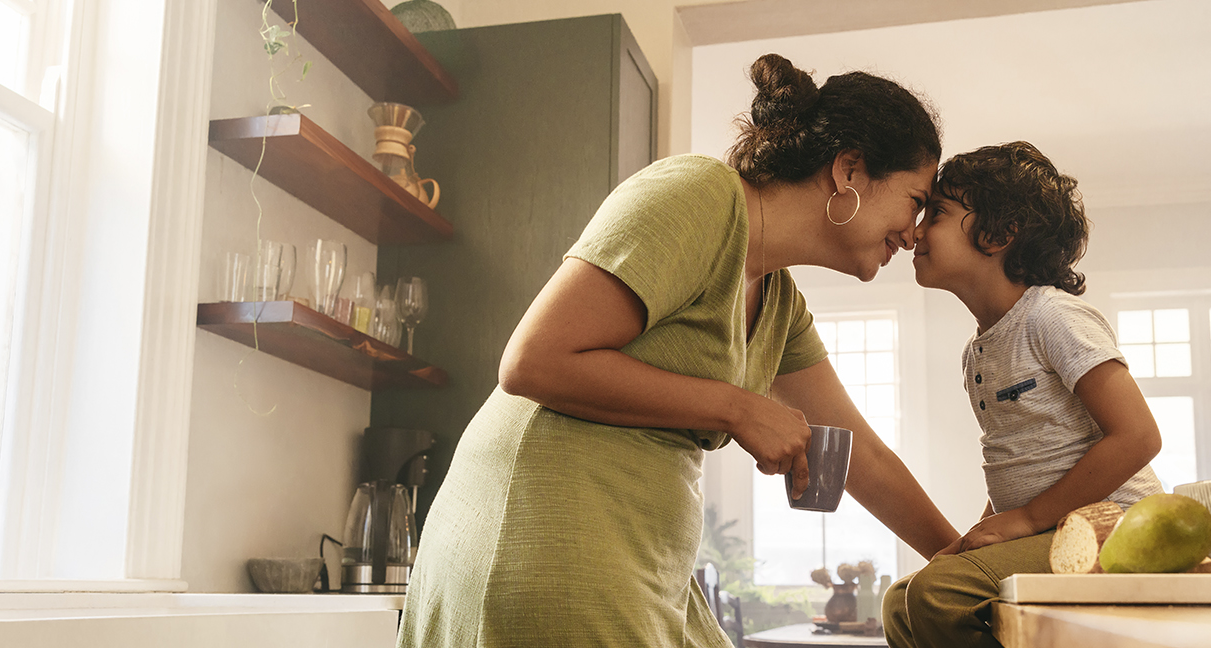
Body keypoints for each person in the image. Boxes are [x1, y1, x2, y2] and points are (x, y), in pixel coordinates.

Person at [397, 53, 960, 648]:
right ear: (849, 169)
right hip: (542, 533)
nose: (915, 232)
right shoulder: (699, 197)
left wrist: (966, 566)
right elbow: (532, 360)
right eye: (915, 201)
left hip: (641, 558)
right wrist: (739, 409)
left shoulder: (780, 304)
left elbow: (862, 456)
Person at [883, 142, 1164, 648]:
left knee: (938, 593)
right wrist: (984, 531)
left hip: (1116, 527)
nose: (915, 232)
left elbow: (1139, 436)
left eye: (938, 214)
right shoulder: (978, 353)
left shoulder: (1052, 317)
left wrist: (1027, 520)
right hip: (1047, 531)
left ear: (999, 234)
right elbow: (1020, 457)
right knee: (901, 601)